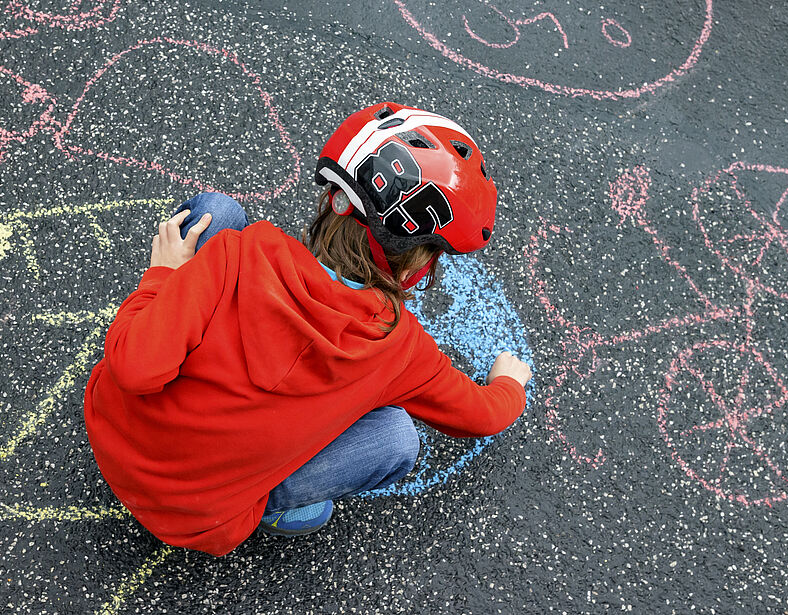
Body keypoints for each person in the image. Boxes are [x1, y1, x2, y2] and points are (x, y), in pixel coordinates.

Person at [83, 102, 532, 557]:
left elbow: (134, 370)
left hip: (112, 436)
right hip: (203, 518)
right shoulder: (400, 350)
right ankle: (274, 505)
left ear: (334, 202)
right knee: (395, 437)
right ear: (419, 267)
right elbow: (483, 415)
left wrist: (163, 278)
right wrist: (508, 384)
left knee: (213, 212)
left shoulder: (240, 252)